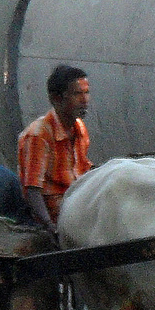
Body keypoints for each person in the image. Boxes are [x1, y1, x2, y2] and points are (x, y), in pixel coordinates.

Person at [17, 64, 93, 227]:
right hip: (59, 215)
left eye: (86, 93)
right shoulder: (39, 135)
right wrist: (50, 227)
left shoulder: (79, 127)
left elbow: (84, 170)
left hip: (79, 204)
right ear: (56, 98)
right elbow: (32, 190)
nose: (84, 100)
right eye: (77, 94)